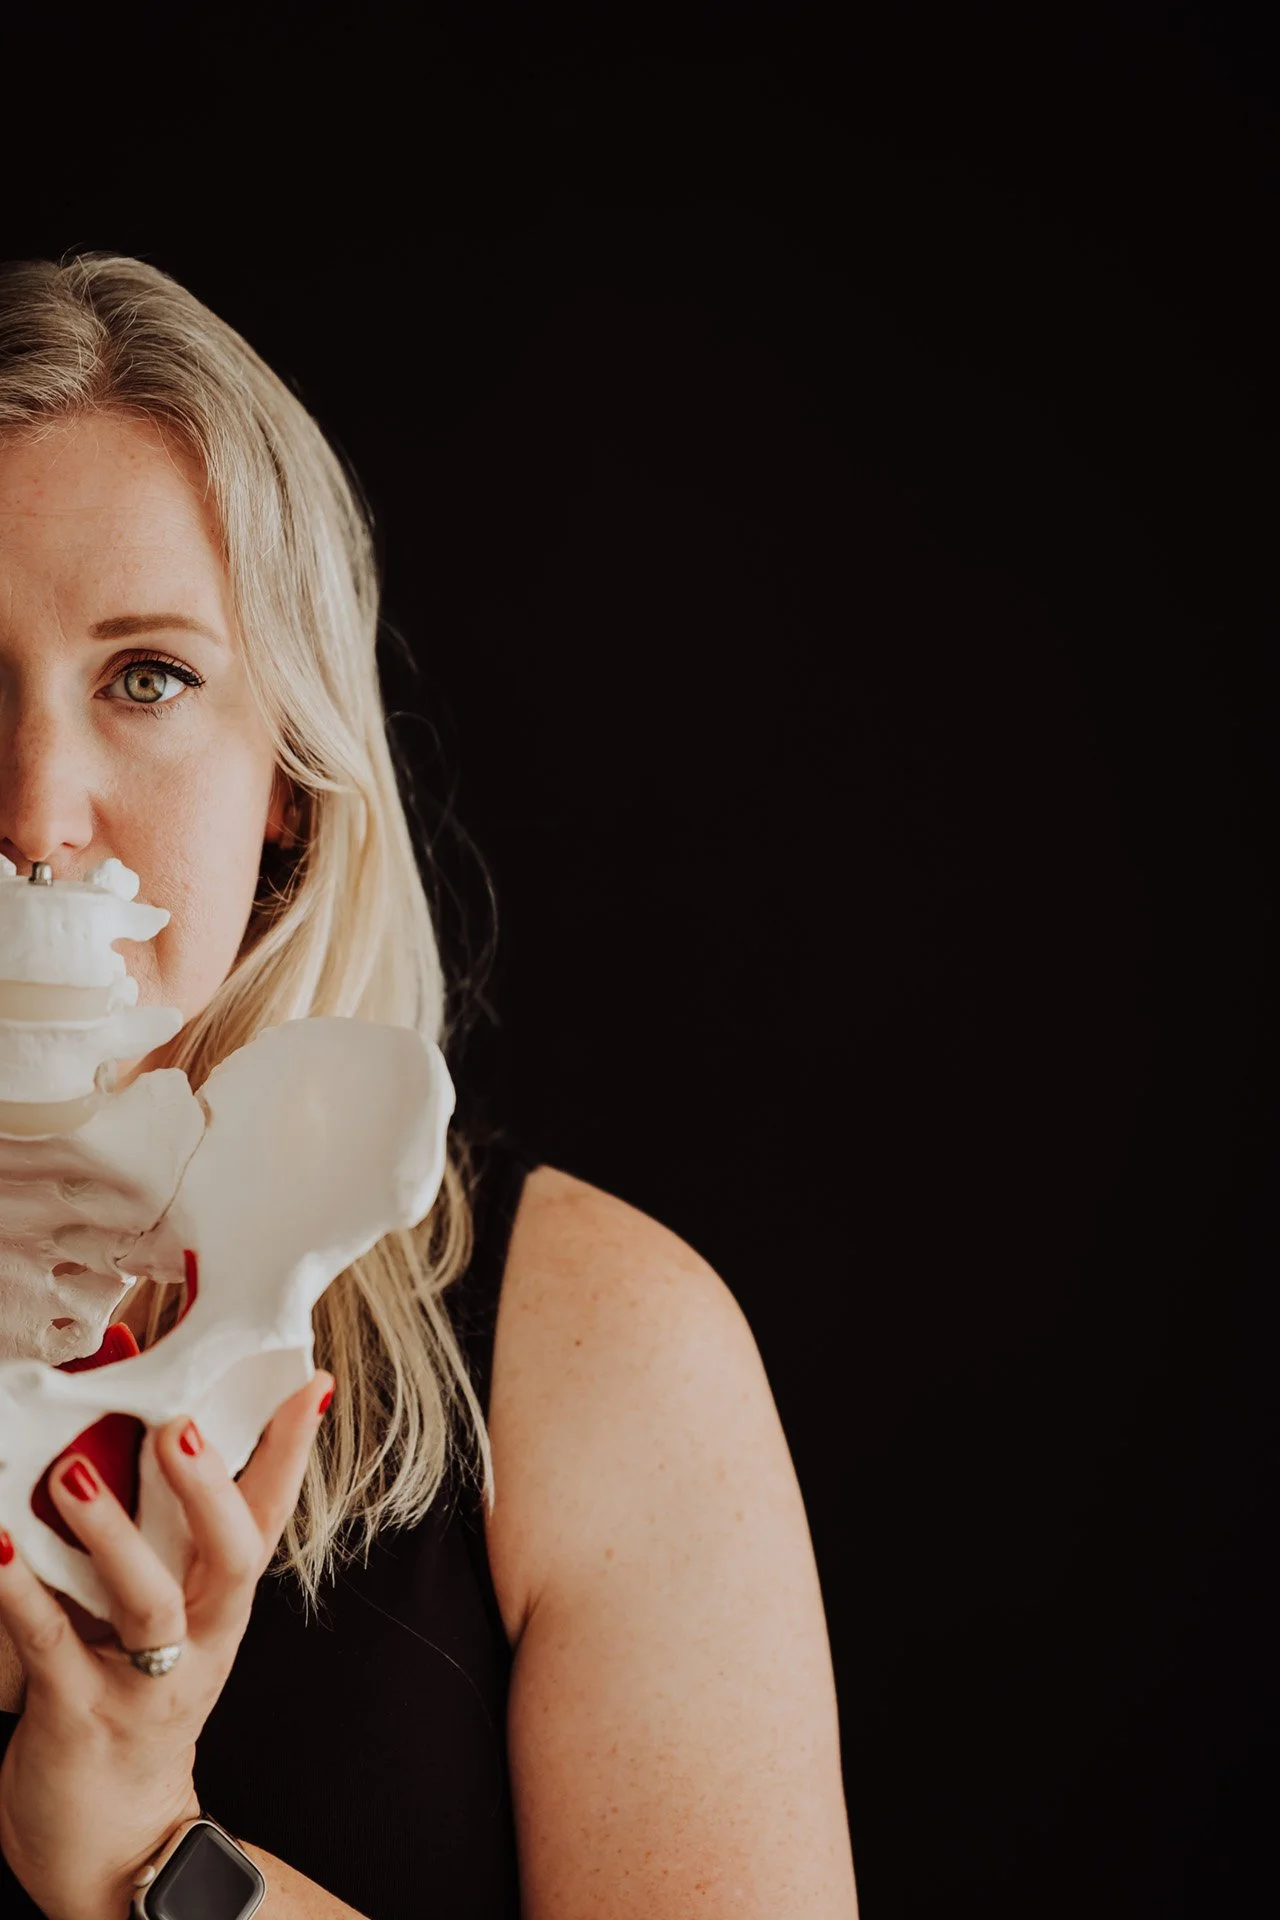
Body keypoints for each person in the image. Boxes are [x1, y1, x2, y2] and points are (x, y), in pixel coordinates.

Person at [0, 252, 859, 1918]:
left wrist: (143, 1858)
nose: (37, 810)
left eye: (149, 676)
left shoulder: (590, 1345)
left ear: (292, 790)